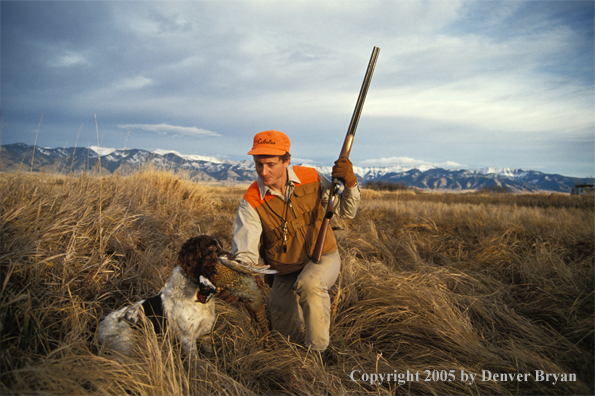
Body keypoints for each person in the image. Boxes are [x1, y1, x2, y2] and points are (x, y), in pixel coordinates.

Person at [226, 129, 360, 353]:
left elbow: (347, 212)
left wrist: (351, 183)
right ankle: (293, 363)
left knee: (310, 285)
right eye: (258, 164)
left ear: (287, 160)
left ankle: (319, 355)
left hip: (323, 256)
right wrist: (238, 277)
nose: (263, 171)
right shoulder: (250, 201)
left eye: (270, 164)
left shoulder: (312, 178)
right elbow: (246, 252)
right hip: (284, 270)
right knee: (284, 337)